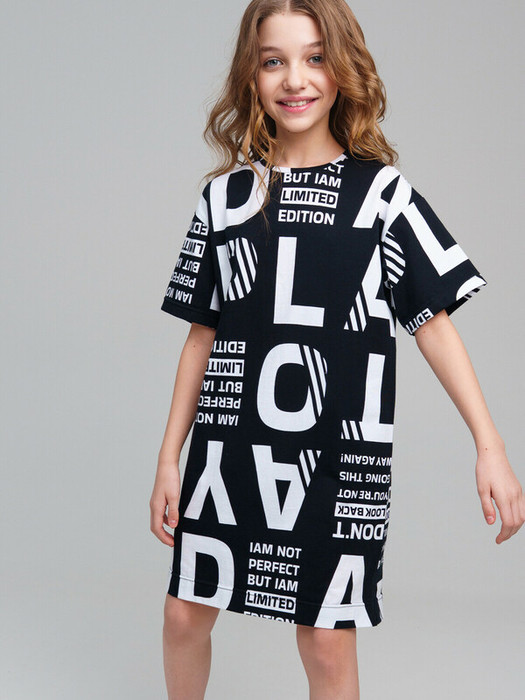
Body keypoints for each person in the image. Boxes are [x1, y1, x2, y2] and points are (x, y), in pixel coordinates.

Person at [149, 1, 525, 697]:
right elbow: (201, 336)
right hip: (230, 451)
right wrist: (170, 458)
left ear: (342, 69)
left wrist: (489, 444)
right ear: (251, 76)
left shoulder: (382, 196)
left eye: (315, 57)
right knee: (183, 614)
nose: (295, 78)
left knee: (325, 640)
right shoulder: (224, 201)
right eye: (274, 61)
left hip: (336, 456)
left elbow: (433, 322)